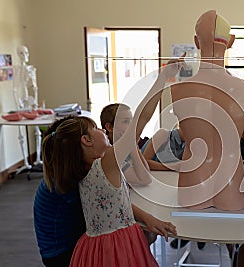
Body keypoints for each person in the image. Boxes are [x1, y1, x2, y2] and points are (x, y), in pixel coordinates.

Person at [41, 59, 181, 267]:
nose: (103, 131)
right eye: (97, 129)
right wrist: (162, 78)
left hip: (94, 249)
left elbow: (117, 204)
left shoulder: (82, 170)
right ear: (86, 141)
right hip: (118, 246)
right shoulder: (106, 163)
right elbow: (141, 120)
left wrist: (148, 218)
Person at [171, 10, 244, 211]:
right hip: (231, 176)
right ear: (231, 41)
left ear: (196, 41)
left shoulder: (178, 88)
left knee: (192, 232)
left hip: (193, 176)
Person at [33, 117, 86, 267]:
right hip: (61, 254)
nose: (102, 131)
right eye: (94, 130)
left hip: (58, 250)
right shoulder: (66, 184)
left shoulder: (63, 173)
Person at [100, 103, 152, 186]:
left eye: (132, 121)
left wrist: (134, 146)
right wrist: (132, 146)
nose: (132, 125)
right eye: (126, 121)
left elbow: (146, 171)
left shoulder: (125, 146)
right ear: (109, 127)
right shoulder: (109, 153)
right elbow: (146, 179)